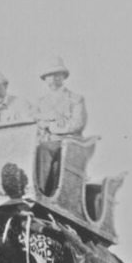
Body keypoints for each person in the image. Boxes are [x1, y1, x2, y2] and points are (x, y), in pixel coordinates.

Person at [32, 58, 87, 193]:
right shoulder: (40, 102)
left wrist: (51, 126)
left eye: (57, 74)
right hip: (47, 141)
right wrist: (53, 120)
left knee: (43, 149)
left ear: (63, 76)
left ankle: (42, 192)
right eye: (49, 75)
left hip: (69, 143)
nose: (53, 78)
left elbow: (77, 124)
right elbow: (36, 121)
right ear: (45, 79)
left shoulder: (75, 98)